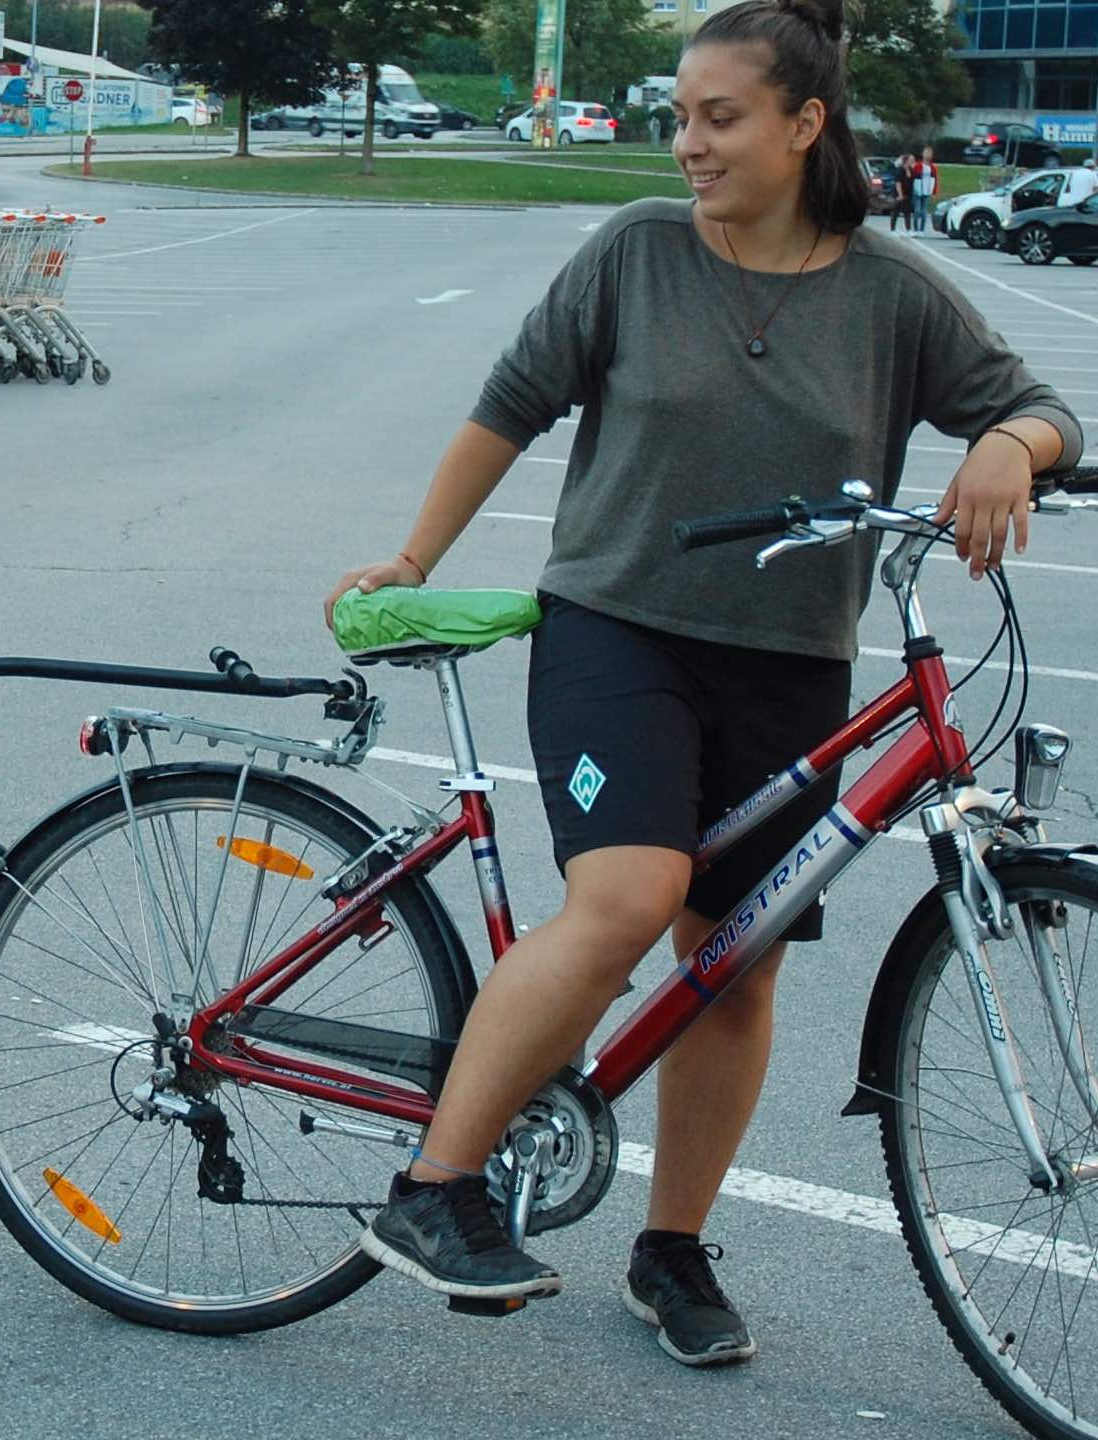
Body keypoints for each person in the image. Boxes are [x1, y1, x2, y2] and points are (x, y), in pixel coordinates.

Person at [323, 0, 1078, 1370]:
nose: (688, 142)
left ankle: (670, 1249)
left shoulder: (892, 294)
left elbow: (1043, 406)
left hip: (789, 664)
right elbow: (509, 404)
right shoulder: (637, 255)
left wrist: (1010, 445)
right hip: (620, 629)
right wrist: (414, 556)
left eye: (718, 117)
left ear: (807, 125)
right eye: (681, 116)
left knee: (731, 972)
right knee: (630, 894)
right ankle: (434, 1191)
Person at [888, 151, 913, 231]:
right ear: (906, 161)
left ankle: (908, 229)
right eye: (911, 159)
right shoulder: (900, 170)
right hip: (899, 194)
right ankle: (893, 229)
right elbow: (898, 183)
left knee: (907, 213)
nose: (912, 161)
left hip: (908, 194)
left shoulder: (911, 170)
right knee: (896, 212)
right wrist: (900, 195)